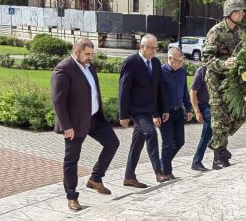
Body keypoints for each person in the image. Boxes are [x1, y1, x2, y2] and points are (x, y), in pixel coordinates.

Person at [51, 38, 120, 211]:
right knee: (71, 160)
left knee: (113, 143)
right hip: (74, 124)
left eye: (91, 54)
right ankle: (72, 196)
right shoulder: (63, 69)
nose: (90, 57)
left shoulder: (90, 67)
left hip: (95, 118)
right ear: (77, 52)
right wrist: (66, 126)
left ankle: (95, 178)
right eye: (87, 54)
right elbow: (58, 101)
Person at [202, 0, 246, 170]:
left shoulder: (239, 32)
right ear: (229, 13)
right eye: (238, 11)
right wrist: (223, 64)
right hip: (216, 79)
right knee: (220, 117)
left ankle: (217, 142)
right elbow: (205, 58)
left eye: (243, 11)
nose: (241, 14)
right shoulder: (216, 31)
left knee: (241, 113)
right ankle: (218, 158)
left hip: (232, 81)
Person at [119, 34, 170, 188]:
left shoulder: (155, 63)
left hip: (149, 109)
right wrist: (123, 115)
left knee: (137, 144)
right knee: (151, 133)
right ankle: (158, 172)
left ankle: (129, 177)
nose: (155, 51)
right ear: (142, 47)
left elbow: (160, 88)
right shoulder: (131, 62)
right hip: (136, 110)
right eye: (152, 48)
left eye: (156, 48)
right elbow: (124, 90)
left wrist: (163, 109)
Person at [159, 47, 193, 179]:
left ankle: (162, 164)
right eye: (178, 61)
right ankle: (166, 171)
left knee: (179, 141)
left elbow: (185, 91)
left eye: (181, 61)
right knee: (167, 143)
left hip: (178, 111)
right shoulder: (161, 72)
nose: (179, 64)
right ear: (170, 58)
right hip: (165, 113)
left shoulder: (182, 72)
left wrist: (188, 108)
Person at [190, 64, 212, 172]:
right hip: (203, 104)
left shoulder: (219, 69)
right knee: (208, 129)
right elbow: (193, 93)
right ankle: (196, 162)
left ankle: (219, 152)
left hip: (214, 105)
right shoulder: (202, 71)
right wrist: (197, 112)